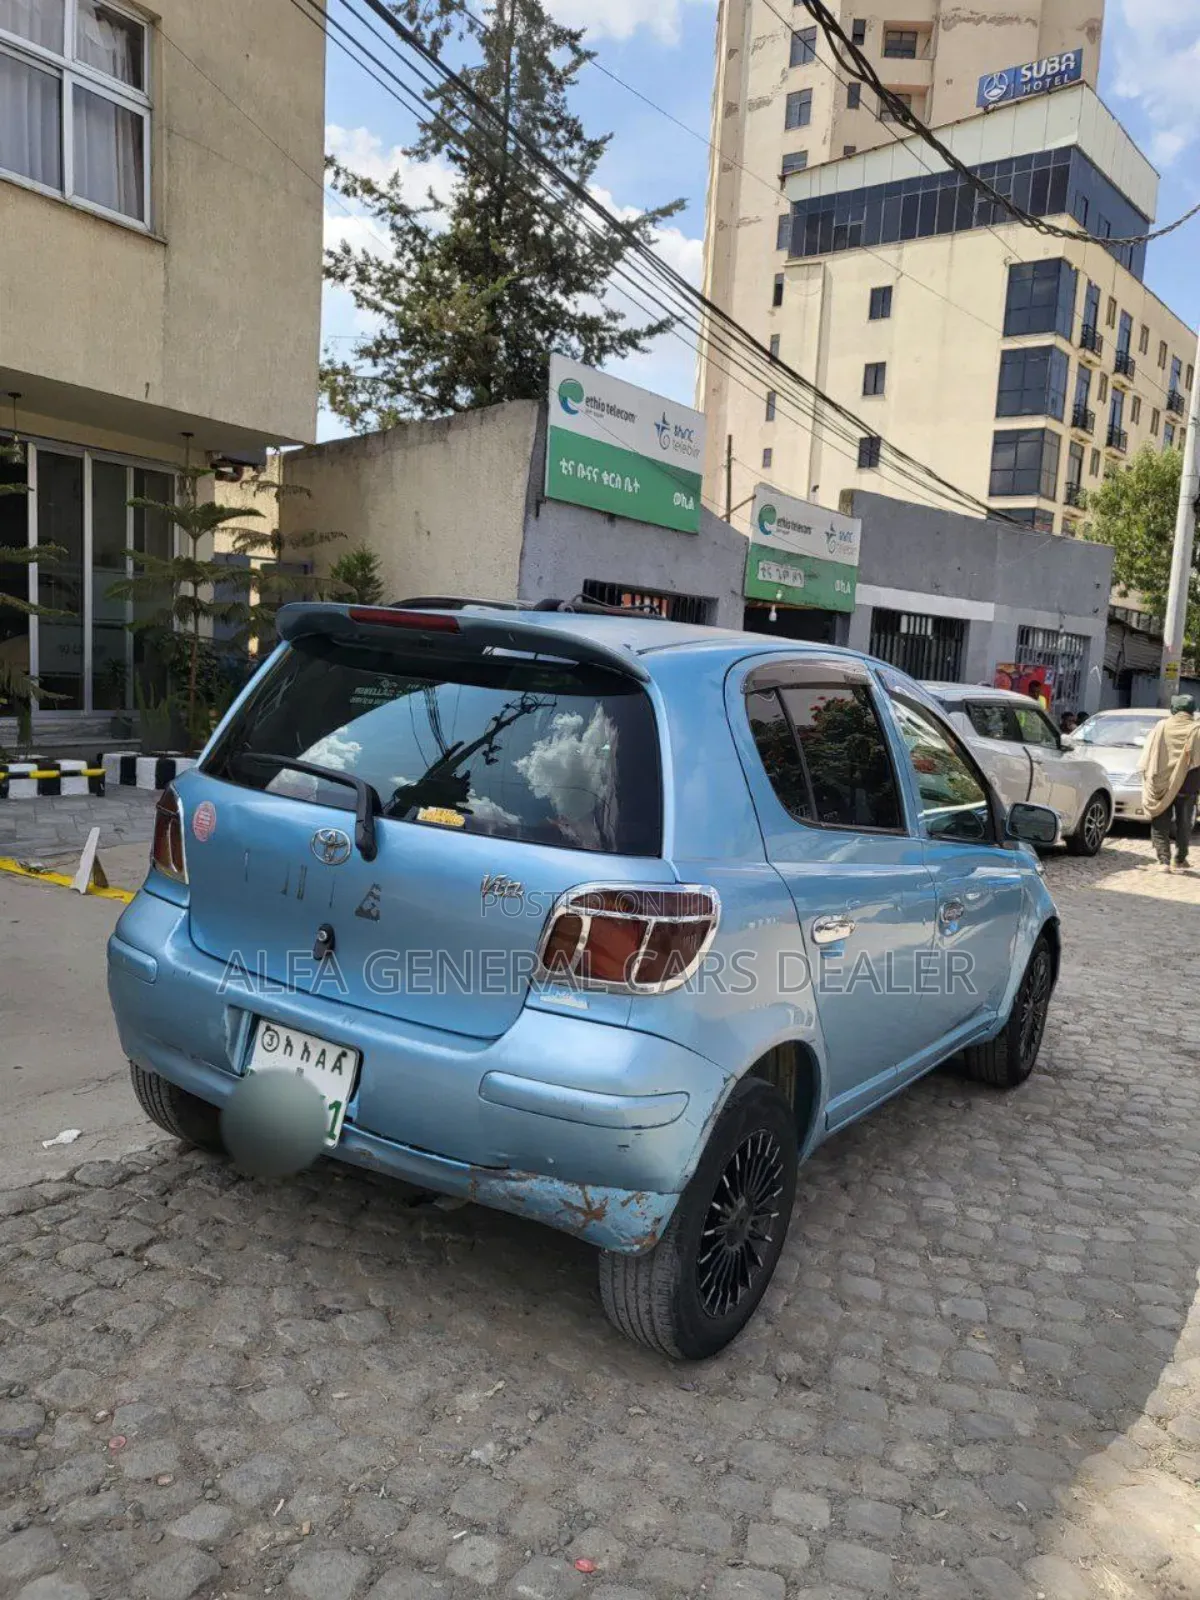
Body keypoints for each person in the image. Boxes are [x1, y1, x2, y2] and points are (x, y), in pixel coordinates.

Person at [1138, 695, 1200, 873]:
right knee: (1184, 823)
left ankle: (1163, 860)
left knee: (1160, 821)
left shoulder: (1161, 726)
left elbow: (1148, 753)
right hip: (1187, 784)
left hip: (1160, 783)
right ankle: (1179, 859)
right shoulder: (1197, 729)